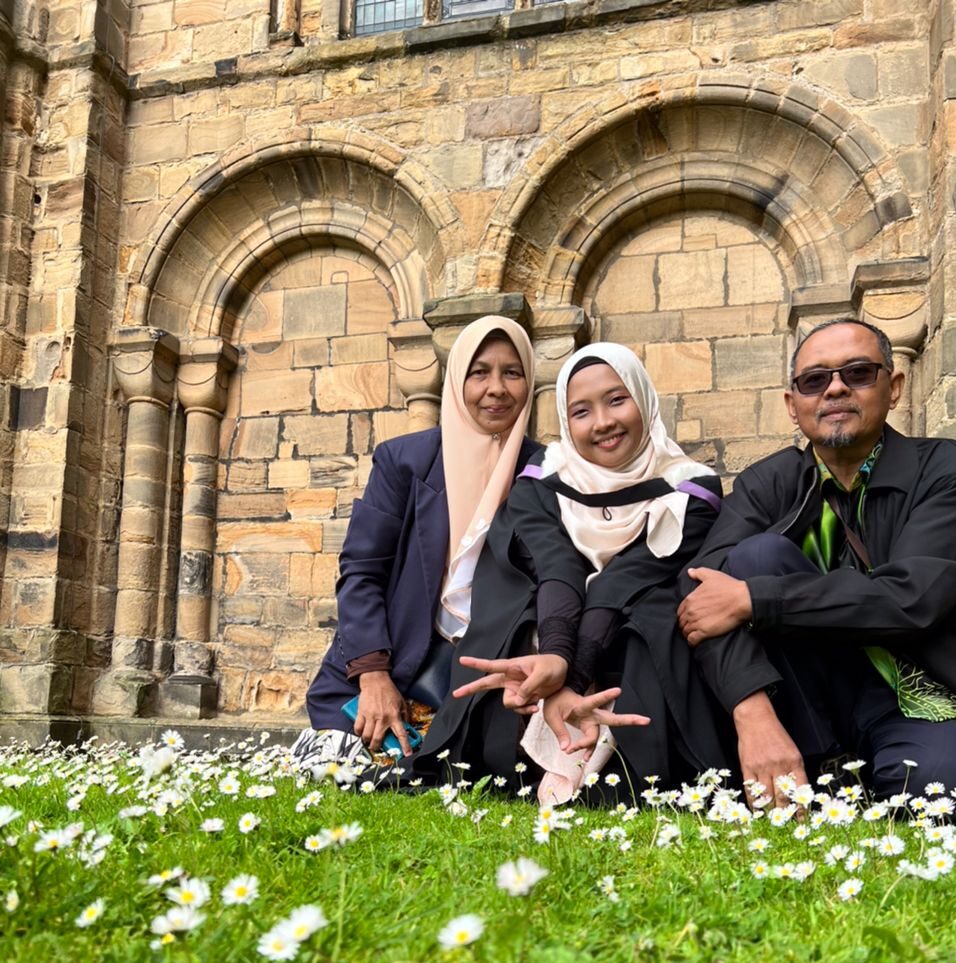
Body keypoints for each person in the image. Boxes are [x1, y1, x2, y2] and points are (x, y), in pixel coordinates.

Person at [413, 343, 732, 801]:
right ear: (566, 421)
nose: (602, 422)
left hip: (628, 636)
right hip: (557, 623)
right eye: (581, 411)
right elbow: (556, 565)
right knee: (518, 613)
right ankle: (520, 763)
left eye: (617, 400)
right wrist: (556, 658)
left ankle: (632, 770)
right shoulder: (543, 480)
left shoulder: (690, 485)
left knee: (653, 613)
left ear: (643, 398)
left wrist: (572, 675)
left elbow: (623, 579)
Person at [678, 318, 956, 806]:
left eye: (858, 373)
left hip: (917, 692)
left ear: (893, 387)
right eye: (815, 380)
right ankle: (819, 765)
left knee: (936, 788)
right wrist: (753, 714)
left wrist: (755, 599)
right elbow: (702, 594)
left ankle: (873, 772)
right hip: (806, 698)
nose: (835, 389)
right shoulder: (768, 484)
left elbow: (912, 597)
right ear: (793, 404)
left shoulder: (942, 471)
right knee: (758, 554)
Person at [292, 316, 539, 768]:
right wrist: (373, 675)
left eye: (512, 372)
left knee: (472, 764)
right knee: (340, 756)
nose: (497, 388)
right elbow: (363, 572)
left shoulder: (542, 471)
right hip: (394, 657)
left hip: (485, 672)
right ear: (455, 379)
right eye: (479, 371)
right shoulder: (406, 461)